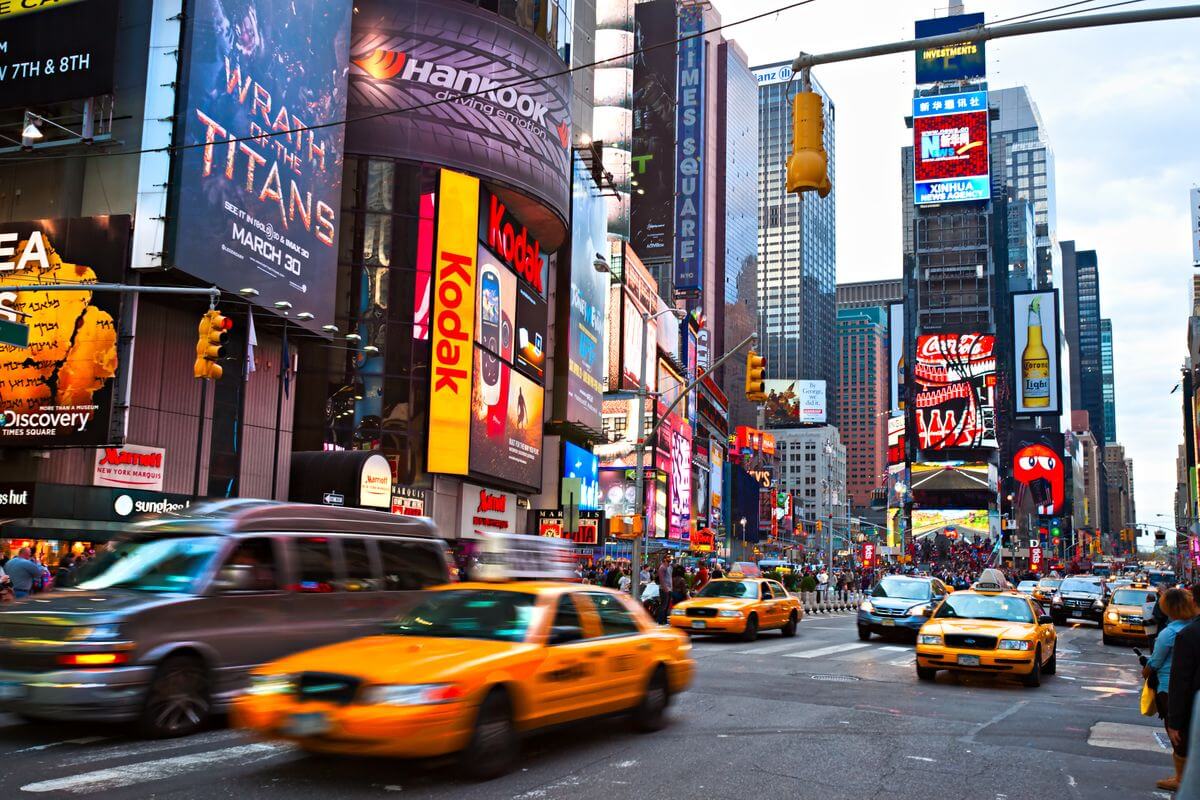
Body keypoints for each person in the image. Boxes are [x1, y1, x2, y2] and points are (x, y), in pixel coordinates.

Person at [1147, 589, 1198, 792]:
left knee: (1176, 732)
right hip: (1192, 689)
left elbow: (1156, 662)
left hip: (1170, 688)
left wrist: (1146, 670)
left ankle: (1181, 777)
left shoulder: (1170, 633)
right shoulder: (1191, 627)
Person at [1168, 593, 1200, 792]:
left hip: (1193, 712)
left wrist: (1175, 722)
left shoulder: (1189, 634)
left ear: (1194, 602)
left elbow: (1181, 681)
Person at [656, 554, 673, 624]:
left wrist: (671, 589)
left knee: (666, 606)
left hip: (669, 589)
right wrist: (666, 589)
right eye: (668, 557)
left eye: (670, 557)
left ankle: (664, 620)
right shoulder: (662, 567)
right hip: (664, 590)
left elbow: (670, 578)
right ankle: (660, 621)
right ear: (665, 559)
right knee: (663, 606)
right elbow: (661, 580)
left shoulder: (669, 567)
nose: (670, 558)